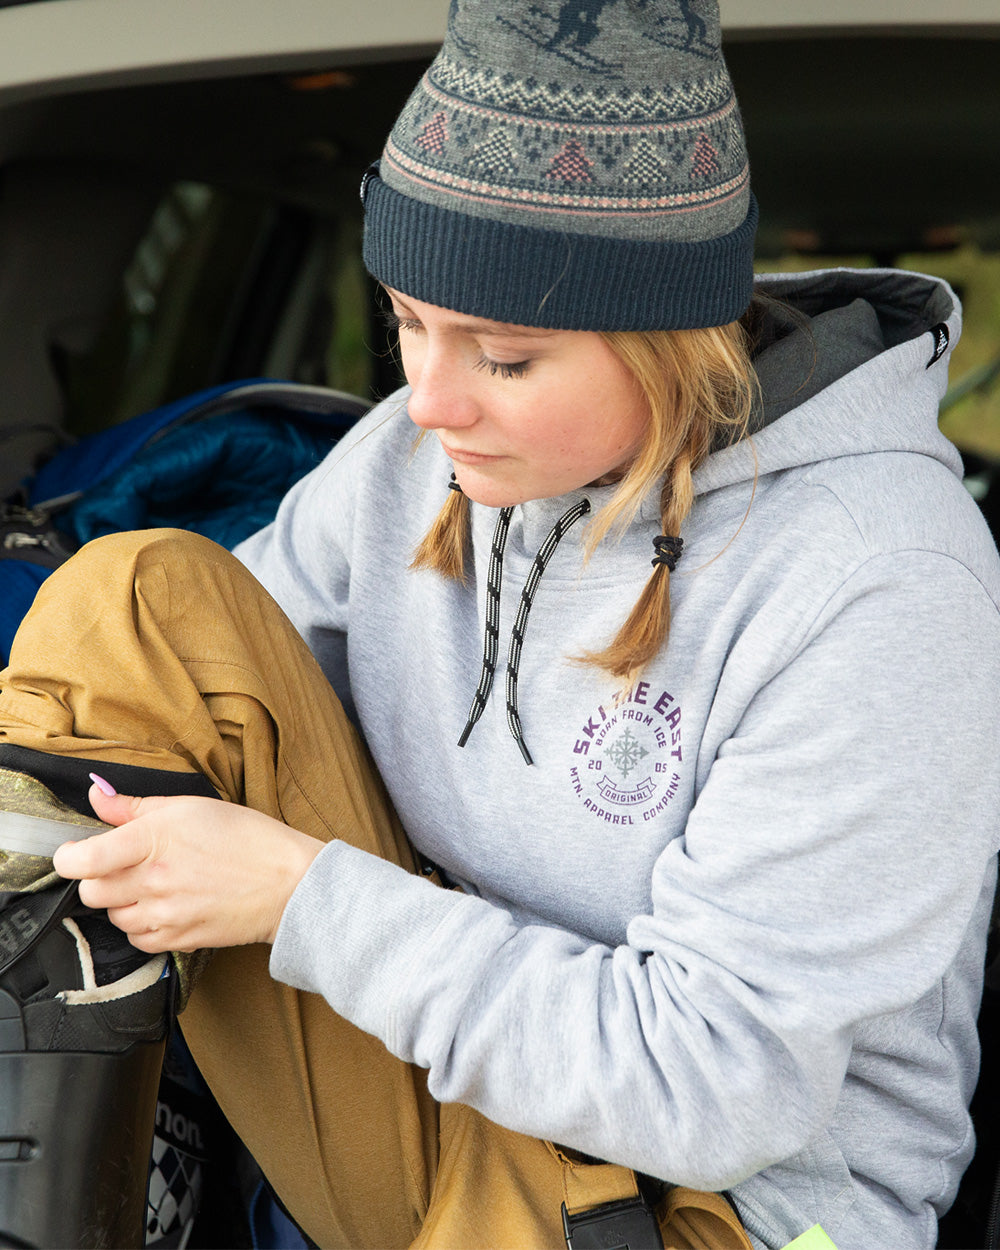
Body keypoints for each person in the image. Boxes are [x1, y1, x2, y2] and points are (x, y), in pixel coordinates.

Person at [0, 2, 999, 1248]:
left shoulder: (878, 573)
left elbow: (716, 1084)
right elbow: (172, 684)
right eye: (407, 323)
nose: (427, 400)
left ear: (669, 334)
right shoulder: (409, 466)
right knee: (132, 592)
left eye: (506, 357)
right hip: (441, 1085)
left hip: (698, 1203)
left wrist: (305, 898)